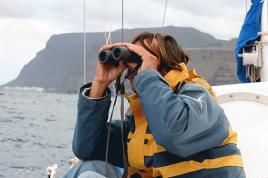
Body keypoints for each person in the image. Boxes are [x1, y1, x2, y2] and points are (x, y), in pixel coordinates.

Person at [63, 32, 246, 178]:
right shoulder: (141, 125)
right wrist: (100, 83)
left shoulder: (198, 95)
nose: (133, 67)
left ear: (166, 63)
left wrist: (148, 74)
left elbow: (174, 133)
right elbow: (87, 149)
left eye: (140, 57)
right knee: (90, 168)